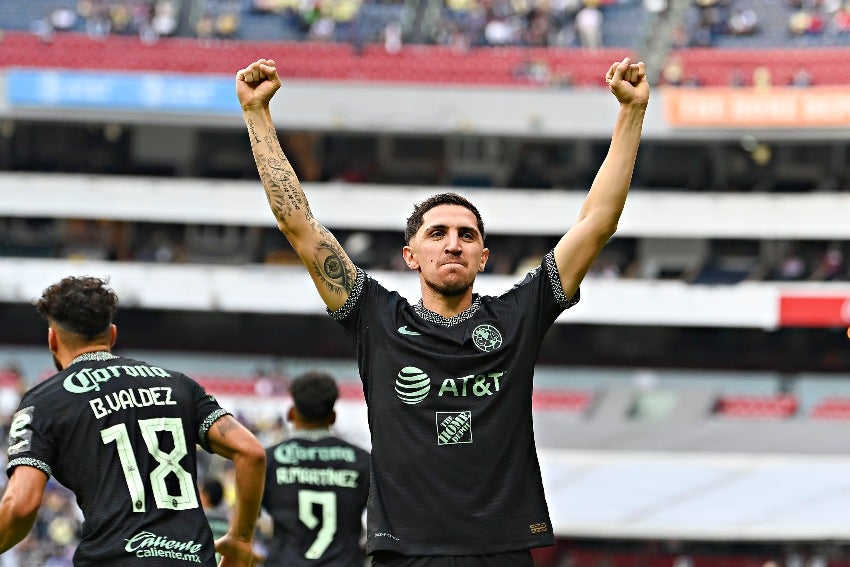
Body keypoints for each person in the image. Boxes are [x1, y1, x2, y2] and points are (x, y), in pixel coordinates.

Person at [236, 56, 648, 565]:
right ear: (411, 256)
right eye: (438, 234)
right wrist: (257, 114)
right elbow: (299, 226)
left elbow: (597, 224)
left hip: (500, 549)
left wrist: (631, 113)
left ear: (483, 256)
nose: (453, 244)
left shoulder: (517, 316)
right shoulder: (377, 319)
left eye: (467, 235)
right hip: (407, 553)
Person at [0, 276, 267, 566]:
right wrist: (241, 540)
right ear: (112, 335)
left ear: (52, 338)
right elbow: (251, 452)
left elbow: (20, 506)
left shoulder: (44, 401)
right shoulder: (178, 385)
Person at [261, 371, 370, 566]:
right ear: (333, 417)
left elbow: (246, 525)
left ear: (291, 413)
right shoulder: (363, 461)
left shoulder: (268, 460)